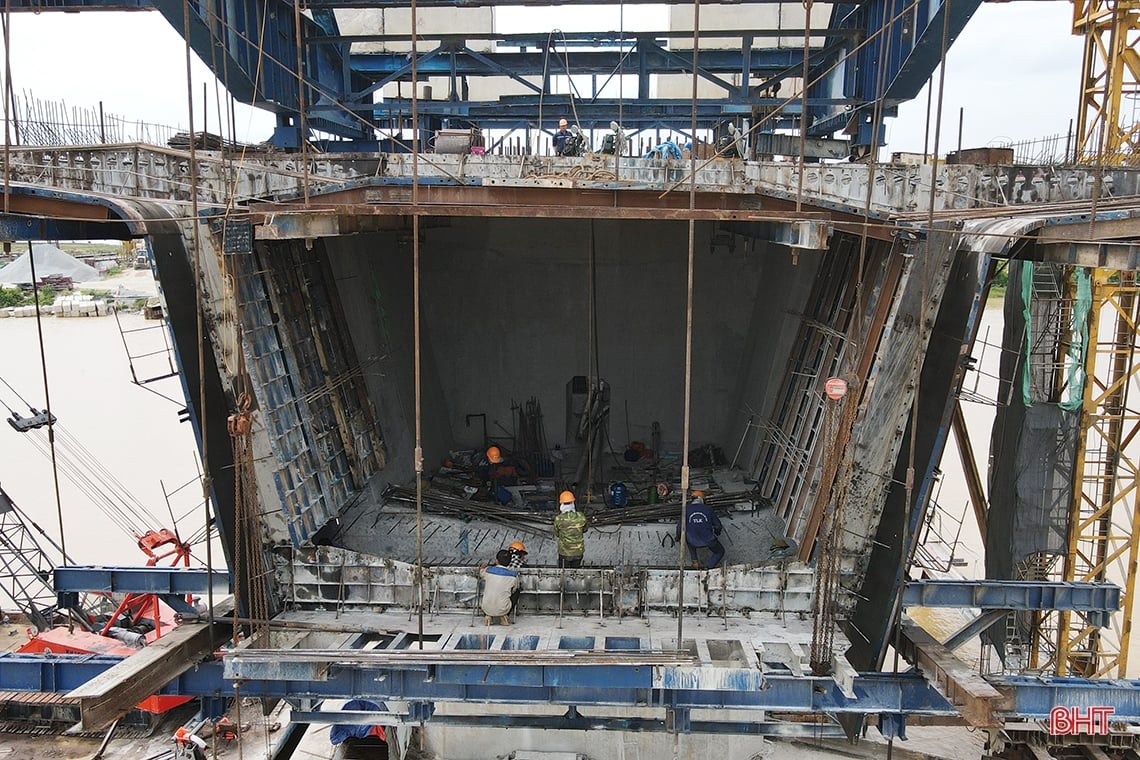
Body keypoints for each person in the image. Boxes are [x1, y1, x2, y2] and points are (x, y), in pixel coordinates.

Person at [676, 490, 725, 569]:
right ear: (701, 499)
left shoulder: (686, 510)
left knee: (688, 538)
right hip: (708, 539)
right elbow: (718, 525)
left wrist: (678, 538)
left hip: (692, 540)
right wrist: (717, 532)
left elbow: (679, 527)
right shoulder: (708, 509)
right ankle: (709, 567)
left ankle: (695, 562)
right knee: (720, 551)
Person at [480, 549, 518, 625]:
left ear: (496, 561)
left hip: (486, 608)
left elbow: (481, 574)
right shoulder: (514, 575)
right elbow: (514, 589)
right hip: (504, 609)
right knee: (517, 592)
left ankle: (488, 616)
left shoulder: (488, 571)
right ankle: (504, 616)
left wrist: (482, 568)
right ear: (509, 562)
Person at [553, 490, 587, 567]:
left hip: (564, 552)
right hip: (578, 551)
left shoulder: (559, 519)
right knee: (575, 573)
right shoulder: (581, 516)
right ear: (573, 503)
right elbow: (585, 529)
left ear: (561, 504)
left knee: (563, 573)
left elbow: (556, 533)